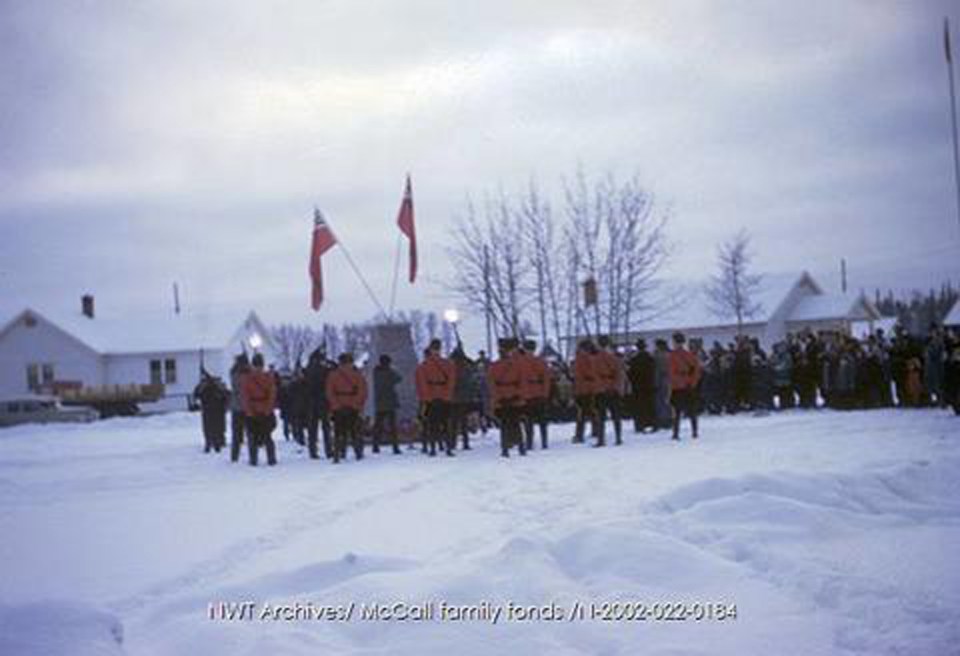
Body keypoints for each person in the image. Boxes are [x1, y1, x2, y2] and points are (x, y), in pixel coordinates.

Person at [415, 339, 457, 457]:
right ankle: (448, 448)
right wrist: (448, 395)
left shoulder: (423, 366)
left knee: (432, 424)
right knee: (446, 424)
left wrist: (426, 398)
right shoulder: (448, 364)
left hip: (431, 397)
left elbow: (421, 383)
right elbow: (452, 381)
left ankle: (433, 448)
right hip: (444, 396)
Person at [326, 352, 368, 462]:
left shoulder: (333, 375)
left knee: (339, 431)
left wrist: (335, 405)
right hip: (353, 406)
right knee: (354, 430)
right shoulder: (357, 375)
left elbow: (329, 392)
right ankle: (358, 452)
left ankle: (339, 452)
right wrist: (356, 405)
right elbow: (363, 391)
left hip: (338, 406)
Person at [487, 338, 526, 457]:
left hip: (501, 397)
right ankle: (521, 447)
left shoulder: (494, 366)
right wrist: (519, 395)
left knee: (504, 425)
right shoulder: (518, 365)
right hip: (515, 395)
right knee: (516, 423)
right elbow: (522, 382)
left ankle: (505, 448)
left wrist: (496, 399)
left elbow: (492, 385)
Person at [240, 353, 278, 466]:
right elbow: (272, 394)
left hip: (253, 411)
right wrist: (268, 409)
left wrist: (249, 411)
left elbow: (245, 396)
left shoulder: (247, 378)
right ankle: (271, 459)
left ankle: (253, 460)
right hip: (265, 410)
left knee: (253, 437)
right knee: (267, 437)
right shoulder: (268, 377)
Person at [668, 332, 702, 440]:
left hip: (678, 387)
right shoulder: (690, 355)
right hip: (689, 386)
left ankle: (676, 433)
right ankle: (694, 431)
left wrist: (675, 383)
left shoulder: (672, 356)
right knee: (692, 410)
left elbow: (671, 372)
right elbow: (696, 371)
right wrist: (692, 383)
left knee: (676, 411)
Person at [519, 339, 551, 450]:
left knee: (528, 421)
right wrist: (545, 393)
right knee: (542, 421)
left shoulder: (520, 362)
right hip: (539, 393)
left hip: (526, 394)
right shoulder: (541, 361)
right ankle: (544, 442)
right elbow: (546, 378)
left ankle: (529, 443)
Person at [593, 336, 624, 446]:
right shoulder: (614, 358)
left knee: (600, 416)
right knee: (616, 415)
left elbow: (594, 375)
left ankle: (601, 439)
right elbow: (618, 374)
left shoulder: (595, 359)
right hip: (612, 388)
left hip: (600, 388)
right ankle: (618, 438)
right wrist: (617, 388)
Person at [304, 348, 334, 460]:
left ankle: (312, 450)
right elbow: (333, 370)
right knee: (326, 427)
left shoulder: (308, 370)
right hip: (323, 401)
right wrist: (329, 363)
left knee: (313, 428)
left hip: (311, 401)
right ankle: (328, 450)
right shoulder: (324, 370)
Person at [373, 354, 402, 455]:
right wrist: (393, 369)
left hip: (379, 401)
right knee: (392, 426)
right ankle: (395, 447)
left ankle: (375, 445)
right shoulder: (390, 372)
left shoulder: (376, 372)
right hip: (390, 401)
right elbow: (399, 378)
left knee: (378, 425)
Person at [193, 371, 229, 453]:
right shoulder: (205, 385)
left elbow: (226, 395)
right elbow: (196, 394)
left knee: (215, 427)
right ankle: (211, 442)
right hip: (210, 409)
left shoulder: (216, 385)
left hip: (215, 409)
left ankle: (215, 442)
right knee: (211, 427)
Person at [627, 339, 657, 432]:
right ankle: (652, 423)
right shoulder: (650, 358)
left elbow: (630, 374)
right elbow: (654, 371)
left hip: (637, 386)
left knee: (639, 406)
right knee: (650, 405)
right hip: (649, 385)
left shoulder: (634, 360)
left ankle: (640, 425)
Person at [572, 340, 598, 444]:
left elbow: (577, 375)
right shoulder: (593, 358)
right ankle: (596, 430)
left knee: (581, 413)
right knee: (592, 411)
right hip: (592, 387)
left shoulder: (580, 358)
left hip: (582, 388)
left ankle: (579, 435)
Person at [228, 354, 250, 463]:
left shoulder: (233, 373)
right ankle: (252, 455)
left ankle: (234, 456)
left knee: (236, 434)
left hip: (236, 407)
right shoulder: (247, 374)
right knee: (250, 433)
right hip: (247, 407)